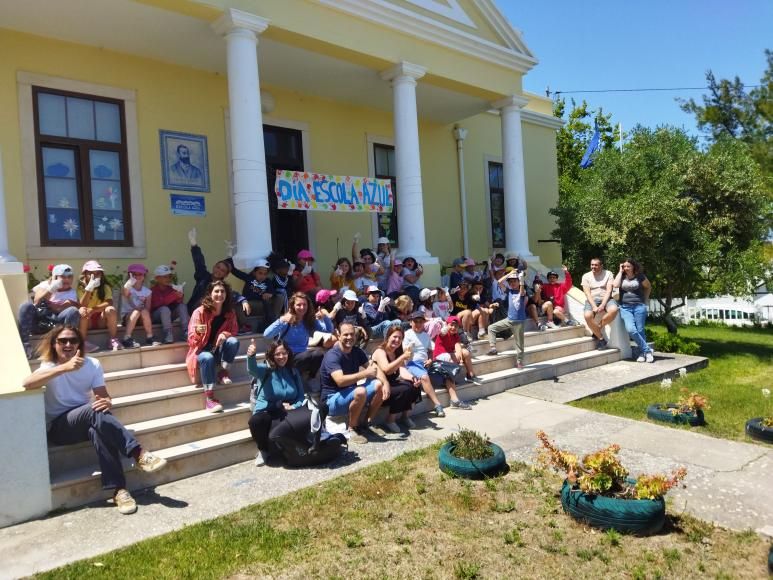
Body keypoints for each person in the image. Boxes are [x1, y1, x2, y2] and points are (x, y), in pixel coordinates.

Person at [22, 325, 167, 514]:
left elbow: (103, 397)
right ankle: (138, 453)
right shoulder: (48, 366)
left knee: (99, 429)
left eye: (73, 340)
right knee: (93, 412)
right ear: (54, 344)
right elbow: (27, 383)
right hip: (59, 427)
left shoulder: (92, 365)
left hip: (87, 419)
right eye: (62, 341)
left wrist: (107, 402)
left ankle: (119, 490)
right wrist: (64, 368)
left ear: (79, 345)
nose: (68, 344)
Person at [319, 322, 386, 444]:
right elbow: (340, 381)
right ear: (338, 335)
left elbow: (373, 367)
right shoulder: (332, 355)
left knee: (378, 384)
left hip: (350, 394)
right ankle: (352, 428)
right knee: (360, 391)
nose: (349, 337)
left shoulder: (357, 351)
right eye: (345, 335)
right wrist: (364, 374)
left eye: (352, 334)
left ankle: (367, 423)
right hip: (331, 400)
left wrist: (385, 383)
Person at [246, 338, 306, 466]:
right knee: (256, 421)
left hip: (288, 410)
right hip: (268, 410)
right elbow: (252, 370)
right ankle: (263, 451)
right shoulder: (266, 370)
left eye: (284, 353)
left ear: (288, 353)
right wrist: (251, 356)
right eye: (277, 354)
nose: (281, 356)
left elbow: (301, 396)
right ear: (272, 356)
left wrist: (293, 406)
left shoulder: (293, 371)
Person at [186, 281, 239, 413]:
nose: (220, 294)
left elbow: (234, 331)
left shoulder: (230, 312)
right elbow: (191, 339)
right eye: (216, 291)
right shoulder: (200, 312)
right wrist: (199, 333)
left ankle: (223, 372)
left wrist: (225, 334)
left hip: (218, 350)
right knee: (208, 357)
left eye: (223, 291)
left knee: (233, 341)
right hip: (201, 351)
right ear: (210, 293)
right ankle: (209, 398)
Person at [263, 291, 335, 381]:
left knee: (322, 354)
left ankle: (310, 378)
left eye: (304, 305)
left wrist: (325, 317)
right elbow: (266, 334)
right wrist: (281, 320)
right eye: (299, 305)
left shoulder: (308, 320)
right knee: (317, 353)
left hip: (302, 357)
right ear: (293, 306)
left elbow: (329, 331)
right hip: (286, 357)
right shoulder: (287, 320)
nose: (302, 307)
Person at [185, 228, 250, 328]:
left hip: (213, 316)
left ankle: (242, 327)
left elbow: (233, 294)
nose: (218, 271)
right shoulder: (203, 276)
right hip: (197, 311)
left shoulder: (223, 287)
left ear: (226, 275)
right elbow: (199, 262)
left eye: (222, 270)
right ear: (214, 266)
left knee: (232, 304)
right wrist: (194, 244)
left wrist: (244, 300)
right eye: (218, 267)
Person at [18, 264, 82, 359]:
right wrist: (51, 289)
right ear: (55, 277)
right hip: (39, 323)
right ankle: (25, 345)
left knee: (73, 311)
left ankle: (67, 344)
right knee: (25, 306)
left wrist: (54, 306)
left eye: (69, 277)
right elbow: (37, 301)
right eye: (63, 277)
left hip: (56, 326)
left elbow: (63, 309)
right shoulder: (44, 285)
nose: (67, 280)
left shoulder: (72, 293)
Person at [402, 310, 455, 416]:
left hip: (426, 364)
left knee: (447, 372)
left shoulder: (426, 336)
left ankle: (455, 400)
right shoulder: (406, 335)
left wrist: (430, 359)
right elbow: (405, 352)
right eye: (415, 321)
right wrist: (409, 350)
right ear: (411, 322)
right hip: (413, 363)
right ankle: (437, 405)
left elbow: (431, 351)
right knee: (425, 377)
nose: (418, 324)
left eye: (420, 321)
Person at [371, 326, 422, 432]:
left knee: (415, 385)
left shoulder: (397, 352)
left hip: (391, 384)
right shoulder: (380, 351)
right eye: (394, 337)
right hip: (380, 387)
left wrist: (413, 378)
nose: (397, 340)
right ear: (388, 337)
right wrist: (403, 357)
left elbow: (402, 370)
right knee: (404, 389)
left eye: (400, 338)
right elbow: (387, 370)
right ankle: (390, 420)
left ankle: (405, 416)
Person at [613, 258, 654, 363]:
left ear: (633, 267)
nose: (626, 268)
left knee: (640, 330)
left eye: (628, 266)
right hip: (625, 307)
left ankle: (642, 353)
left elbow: (648, 287)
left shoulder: (640, 276)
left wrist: (645, 300)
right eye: (624, 266)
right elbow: (615, 285)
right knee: (631, 330)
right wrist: (620, 271)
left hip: (639, 306)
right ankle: (647, 351)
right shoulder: (621, 277)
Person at [486, 270, 527, 369]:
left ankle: (520, 362)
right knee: (491, 328)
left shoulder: (523, 291)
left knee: (519, 343)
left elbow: (522, 291)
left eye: (514, 281)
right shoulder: (509, 291)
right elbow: (499, 282)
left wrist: (521, 280)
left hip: (519, 321)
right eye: (510, 282)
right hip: (509, 319)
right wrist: (510, 273)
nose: (512, 283)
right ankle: (493, 348)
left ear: (518, 282)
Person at [77, 260, 120, 352]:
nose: (96, 276)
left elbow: (109, 302)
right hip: (87, 320)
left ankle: (113, 339)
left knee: (110, 309)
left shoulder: (105, 287)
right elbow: (82, 304)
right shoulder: (80, 287)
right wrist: (89, 288)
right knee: (82, 310)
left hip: (101, 319)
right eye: (92, 273)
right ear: (85, 274)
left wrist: (93, 310)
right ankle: (83, 343)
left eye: (98, 273)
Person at [227, 257, 275, 331]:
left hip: (261, 305)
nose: (262, 276)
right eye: (260, 273)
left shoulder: (268, 282)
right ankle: (245, 326)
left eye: (265, 274)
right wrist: (230, 260)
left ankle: (270, 323)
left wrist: (269, 294)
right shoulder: (249, 278)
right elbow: (236, 272)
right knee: (237, 304)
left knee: (268, 302)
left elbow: (272, 292)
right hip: (248, 303)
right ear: (254, 272)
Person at [581, 257, 619, 350]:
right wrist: (594, 306)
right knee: (587, 316)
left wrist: (602, 305)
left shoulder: (608, 273)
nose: (593, 267)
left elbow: (609, 290)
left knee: (614, 310)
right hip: (592, 300)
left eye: (596, 265)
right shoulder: (586, 276)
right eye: (592, 265)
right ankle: (601, 339)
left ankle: (597, 328)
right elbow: (587, 293)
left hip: (607, 299)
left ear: (601, 266)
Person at [120, 263, 160, 348]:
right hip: (127, 317)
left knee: (144, 311)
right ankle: (126, 338)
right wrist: (128, 284)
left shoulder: (147, 291)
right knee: (136, 312)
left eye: (140, 274)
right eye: (134, 274)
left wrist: (142, 309)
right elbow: (125, 293)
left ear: (144, 276)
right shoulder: (127, 287)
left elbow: (148, 308)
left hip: (142, 318)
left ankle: (150, 337)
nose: (138, 276)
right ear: (129, 275)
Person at [150, 264, 189, 343]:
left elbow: (177, 304)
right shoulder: (153, 290)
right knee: (164, 309)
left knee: (182, 306)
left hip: (169, 316)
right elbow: (158, 304)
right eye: (165, 277)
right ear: (157, 278)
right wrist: (174, 296)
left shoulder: (172, 288)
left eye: (169, 276)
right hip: (156, 317)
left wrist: (179, 296)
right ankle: (168, 334)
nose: (168, 279)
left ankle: (186, 332)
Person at [434, 315, 477, 382]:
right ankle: (453, 378)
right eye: (451, 325)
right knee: (454, 356)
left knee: (466, 352)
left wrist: (461, 359)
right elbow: (442, 333)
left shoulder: (455, 335)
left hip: (449, 354)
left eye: (456, 326)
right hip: (439, 355)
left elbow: (457, 346)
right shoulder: (444, 332)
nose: (453, 327)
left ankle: (470, 374)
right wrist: (444, 329)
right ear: (447, 325)